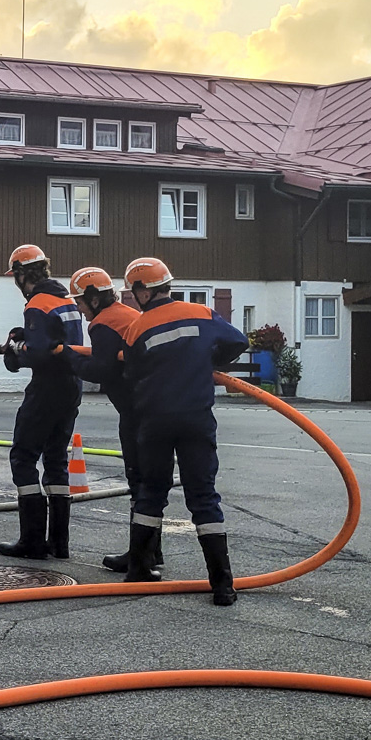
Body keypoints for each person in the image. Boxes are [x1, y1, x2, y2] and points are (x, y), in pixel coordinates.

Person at [121, 257, 249, 604]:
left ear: (142, 290)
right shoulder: (203, 314)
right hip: (195, 418)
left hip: (155, 421)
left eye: (135, 292)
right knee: (203, 496)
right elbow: (239, 342)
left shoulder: (137, 328)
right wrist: (205, 360)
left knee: (151, 492)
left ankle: (138, 570)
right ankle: (222, 585)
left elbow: (130, 374)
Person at [0, 245, 83, 560]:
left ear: (22, 274)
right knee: (55, 461)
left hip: (47, 387)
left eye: (15, 274)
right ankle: (59, 543)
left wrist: (15, 353)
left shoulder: (38, 304)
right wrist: (21, 338)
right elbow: (54, 341)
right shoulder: (66, 298)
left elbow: (39, 352)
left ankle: (32, 541)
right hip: (71, 386)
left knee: (23, 458)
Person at [59, 268, 156, 573]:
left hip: (136, 411)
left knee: (138, 481)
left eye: (80, 301)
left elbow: (100, 370)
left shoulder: (104, 323)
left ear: (93, 298)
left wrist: (67, 356)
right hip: (151, 404)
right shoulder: (126, 313)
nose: (78, 308)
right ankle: (152, 551)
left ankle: (140, 557)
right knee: (150, 482)